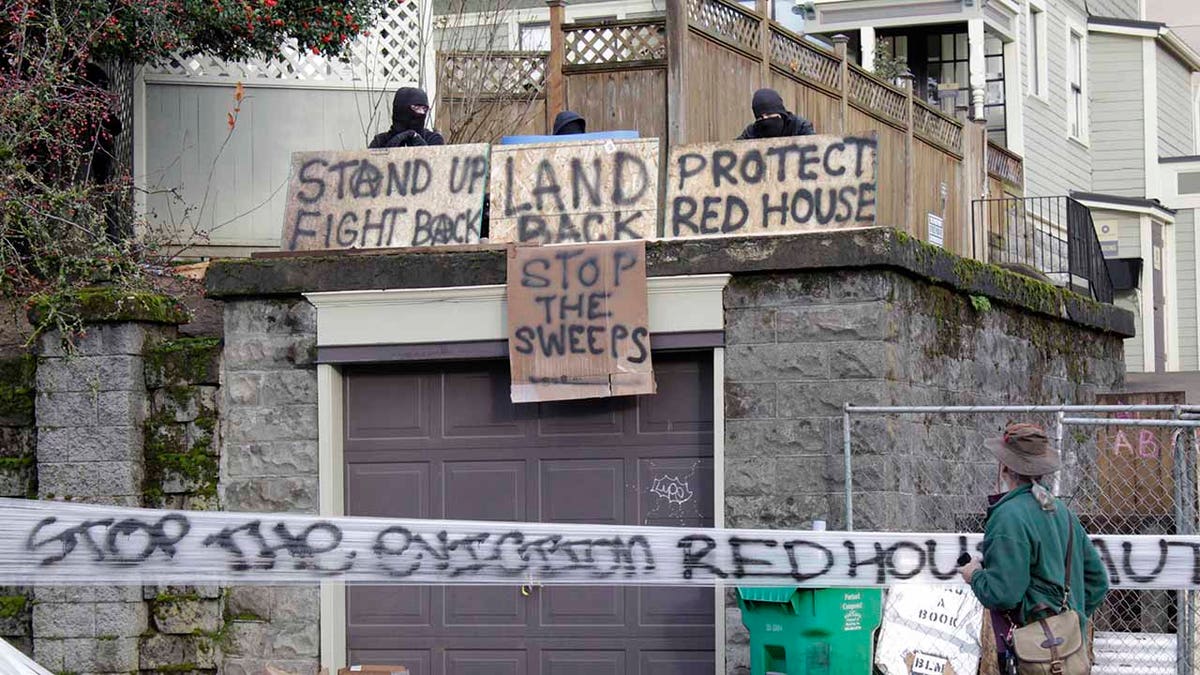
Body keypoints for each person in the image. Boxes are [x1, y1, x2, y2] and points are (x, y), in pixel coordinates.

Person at [960, 423, 1109, 672]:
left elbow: (1003, 594)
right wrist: (1071, 622)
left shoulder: (1007, 517)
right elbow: (1098, 582)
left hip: (1033, 657)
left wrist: (974, 575)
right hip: (1071, 654)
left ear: (1005, 466)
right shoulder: (1062, 511)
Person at [369, 87, 444, 148]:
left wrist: (416, 139)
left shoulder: (433, 139)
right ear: (401, 109)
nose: (422, 113)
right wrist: (394, 143)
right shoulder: (380, 141)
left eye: (424, 109)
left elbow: (434, 163)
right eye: (416, 108)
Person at [736, 88, 815, 140]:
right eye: (760, 117)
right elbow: (735, 148)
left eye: (768, 114)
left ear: (780, 113)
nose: (765, 119)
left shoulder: (800, 126)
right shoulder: (753, 131)